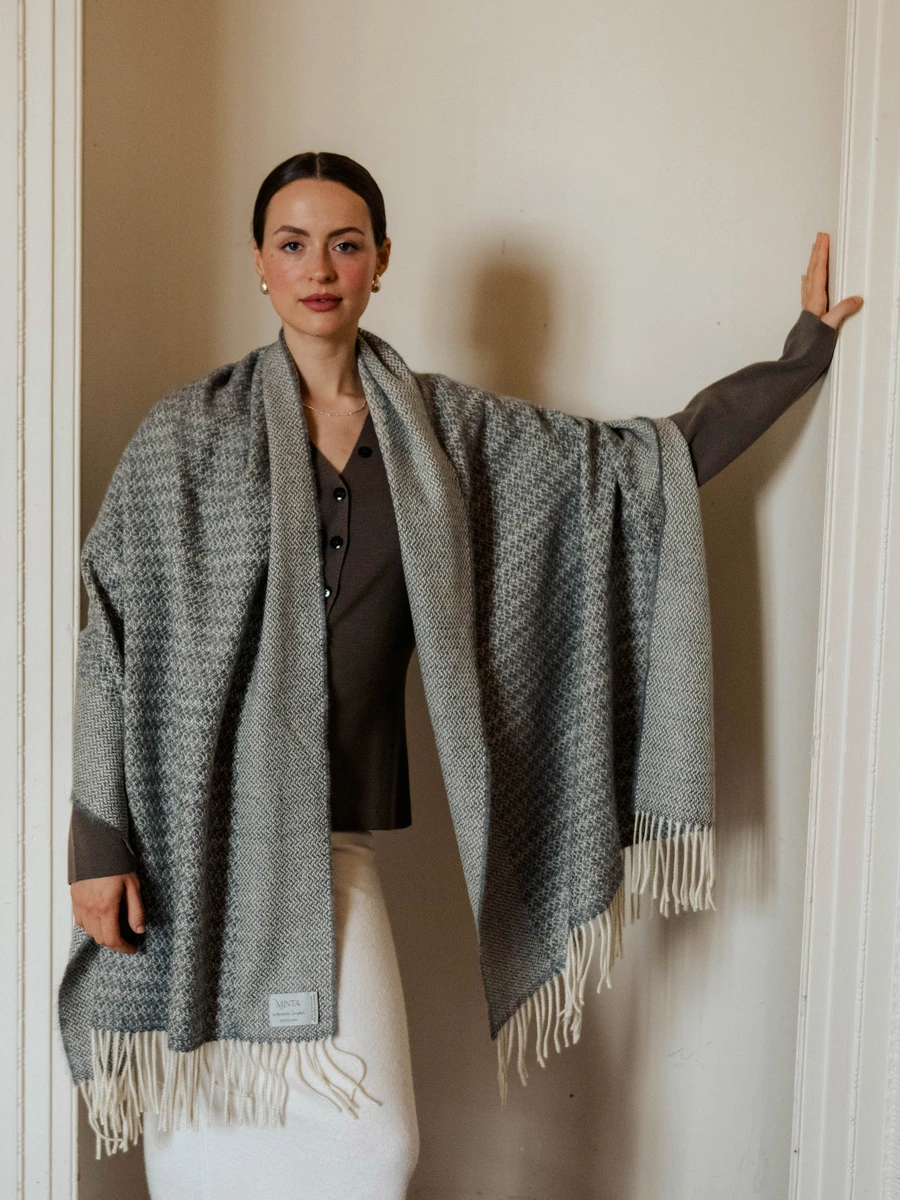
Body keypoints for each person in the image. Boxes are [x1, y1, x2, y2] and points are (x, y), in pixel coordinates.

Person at [66, 152, 863, 1199]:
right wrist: (96, 841)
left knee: (375, 1150)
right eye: (293, 244)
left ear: (382, 261)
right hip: (188, 850)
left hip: (333, 842)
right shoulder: (185, 438)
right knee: (202, 1150)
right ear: (259, 263)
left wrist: (800, 359)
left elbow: (633, 470)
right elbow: (107, 624)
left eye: (346, 244)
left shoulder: (444, 436)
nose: (320, 268)